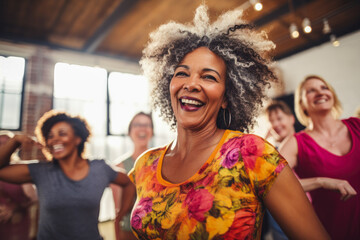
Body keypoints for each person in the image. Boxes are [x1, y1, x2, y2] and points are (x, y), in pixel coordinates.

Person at [128, 5, 329, 239]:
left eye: (209, 77)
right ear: (168, 85)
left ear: (227, 97)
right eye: (182, 73)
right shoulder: (145, 164)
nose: (191, 84)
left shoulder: (252, 154)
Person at [0, 110, 135, 240]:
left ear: (78, 139)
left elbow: (128, 183)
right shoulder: (41, 171)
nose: (55, 140)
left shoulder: (99, 168)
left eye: (62, 134)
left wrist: (121, 214)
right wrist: (15, 142)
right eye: (50, 136)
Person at [280, 75, 359, 239]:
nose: (320, 93)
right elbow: (273, 183)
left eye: (324, 88)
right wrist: (321, 181)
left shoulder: (357, 125)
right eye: (311, 91)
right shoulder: (296, 143)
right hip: (332, 232)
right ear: (301, 104)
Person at [111, 112, 154, 240]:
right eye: (137, 124)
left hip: (156, 232)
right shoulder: (119, 166)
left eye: (147, 125)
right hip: (129, 233)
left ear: (152, 131)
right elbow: (118, 212)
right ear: (129, 132)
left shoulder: (161, 162)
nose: (142, 128)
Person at [0, 131, 38, 240]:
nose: (3, 147)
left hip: (16, 224)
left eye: (6, 143)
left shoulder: (19, 171)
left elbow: (33, 199)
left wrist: (14, 208)